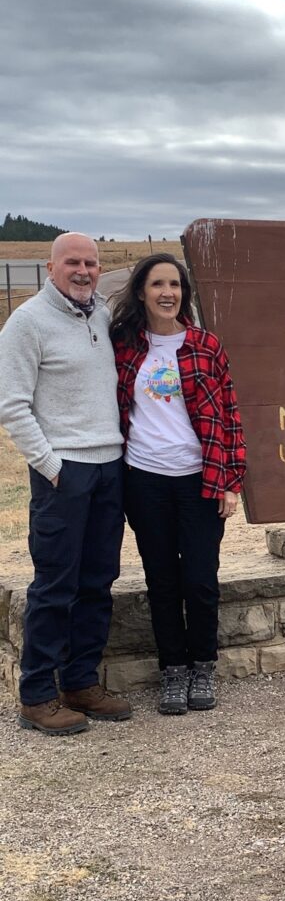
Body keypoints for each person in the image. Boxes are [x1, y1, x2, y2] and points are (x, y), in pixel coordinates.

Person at [0, 233, 131, 735]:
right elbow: (12, 403)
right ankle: (36, 695)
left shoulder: (99, 315)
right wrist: (51, 465)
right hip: (64, 472)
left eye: (91, 263)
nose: (83, 271)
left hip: (108, 466)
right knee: (56, 585)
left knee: (98, 580)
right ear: (51, 268)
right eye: (72, 262)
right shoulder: (28, 322)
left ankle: (80, 683)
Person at [110, 253, 246, 715]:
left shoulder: (205, 345)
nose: (168, 292)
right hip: (145, 481)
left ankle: (203, 664)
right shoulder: (124, 345)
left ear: (184, 293)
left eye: (175, 284)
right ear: (142, 292)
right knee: (162, 580)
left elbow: (229, 415)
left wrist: (231, 482)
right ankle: (173, 671)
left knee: (201, 580)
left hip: (200, 481)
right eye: (157, 284)